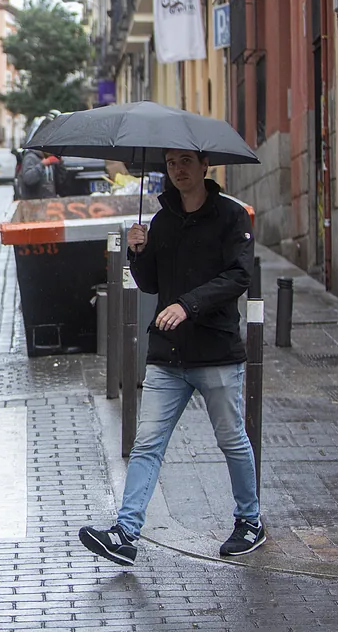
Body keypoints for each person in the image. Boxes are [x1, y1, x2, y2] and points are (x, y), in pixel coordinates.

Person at [78, 149, 263, 566]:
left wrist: (188, 305)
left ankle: (250, 521)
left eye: (185, 162)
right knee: (147, 444)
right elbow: (148, 284)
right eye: (171, 163)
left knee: (231, 441)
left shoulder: (232, 217)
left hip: (215, 350)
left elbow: (239, 275)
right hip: (167, 354)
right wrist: (138, 252)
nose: (177, 170)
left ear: (203, 167)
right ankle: (125, 533)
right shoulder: (161, 221)